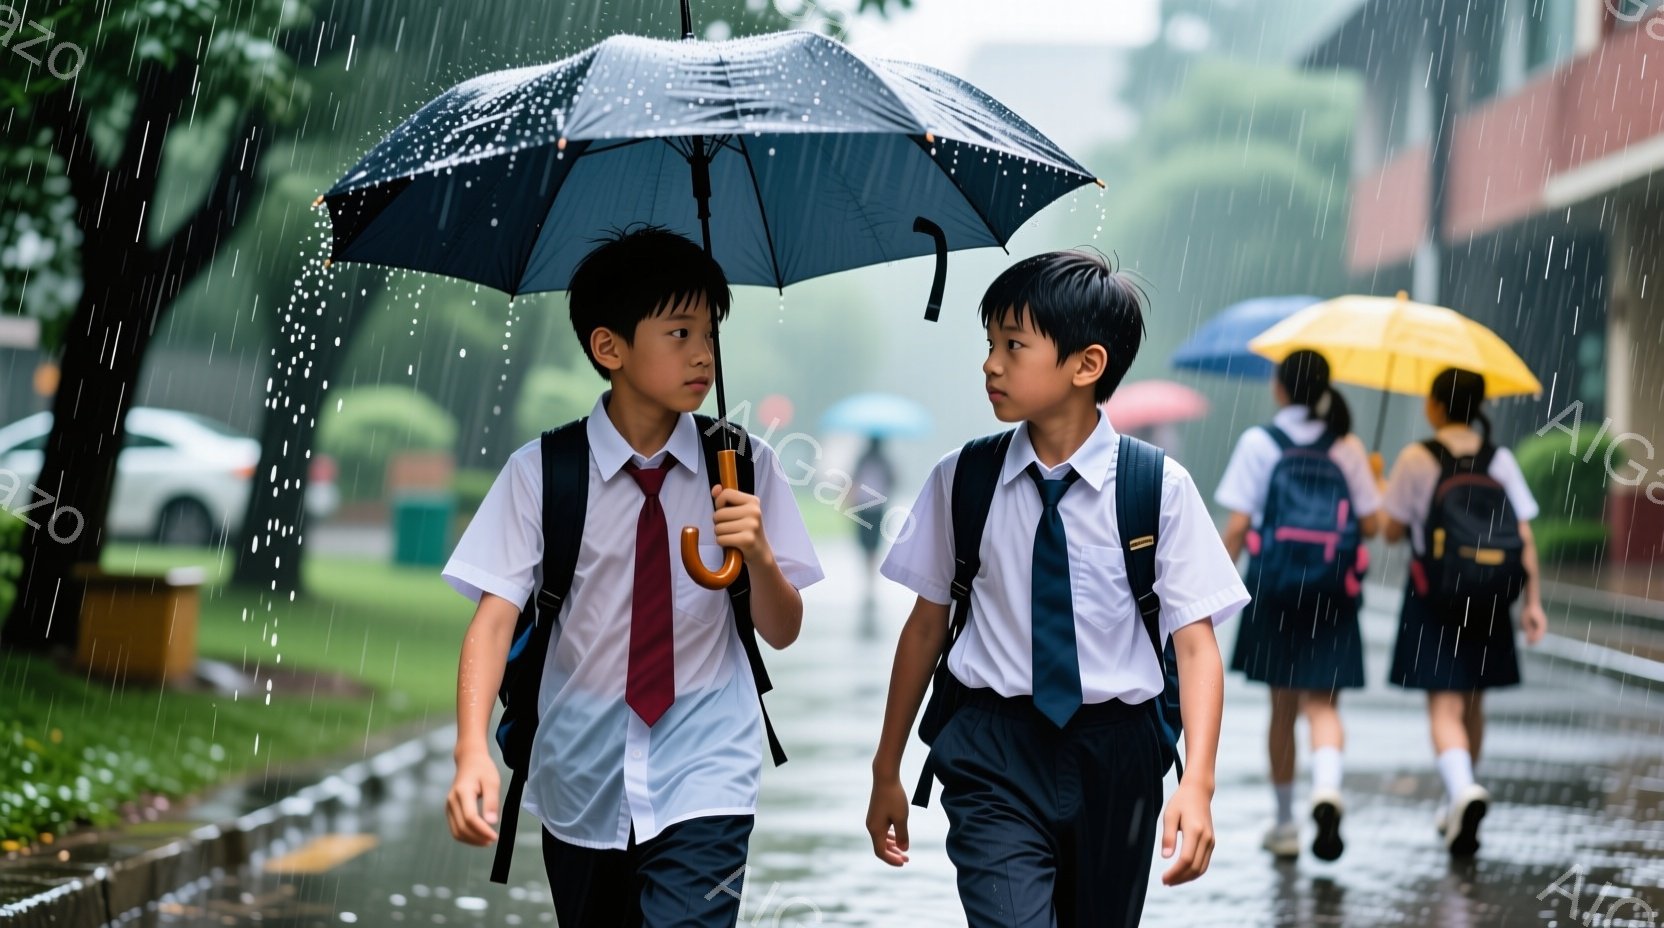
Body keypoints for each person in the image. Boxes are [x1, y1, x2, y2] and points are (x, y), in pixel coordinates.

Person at [440, 227, 824, 927]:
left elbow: (783, 628)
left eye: (710, 332)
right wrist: (471, 752)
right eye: (679, 332)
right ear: (609, 348)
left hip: (708, 771)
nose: (703, 353)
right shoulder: (543, 474)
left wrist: (759, 552)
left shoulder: (744, 465)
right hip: (580, 776)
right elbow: (493, 621)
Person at [865, 251, 1249, 928]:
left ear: (1086, 365)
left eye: (1014, 346)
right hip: (993, 749)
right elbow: (926, 628)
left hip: (1120, 755)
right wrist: (886, 767)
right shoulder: (963, 481)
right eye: (990, 344)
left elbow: (1195, 647)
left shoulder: (1157, 489)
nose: (991, 363)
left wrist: (1198, 783)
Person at [1215, 348, 1381, 862]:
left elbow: (1240, 526)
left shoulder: (1259, 443)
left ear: (1280, 388)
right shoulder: (1347, 447)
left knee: (1281, 709)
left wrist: (1212, 587)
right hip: (1333, 591)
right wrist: (1368, 472)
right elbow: (1372, 527)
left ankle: (1285, 823)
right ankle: (1327, 790)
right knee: (1324, 705)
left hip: (1277, 588)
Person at [1380, 367, 1547, 857]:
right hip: (1493, 597)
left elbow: (1390, 533)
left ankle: (1462, 791)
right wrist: (1532, 603)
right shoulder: (1500, 459)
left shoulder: (1416, 458)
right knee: (1474, 703)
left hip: (1436, 596)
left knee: (1444, 706)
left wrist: (1381, 483)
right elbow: (1525, 536)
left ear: (1435, 405)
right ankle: (1461, 795)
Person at [851, 434, 897, 581]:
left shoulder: (863, 460)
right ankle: (870, 572)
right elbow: (893, 482)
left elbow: (854, 480)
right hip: (876, 506)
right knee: (872, 543)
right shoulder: (884, 462)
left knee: (867, 542)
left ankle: (869, 572)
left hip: (865, 505)